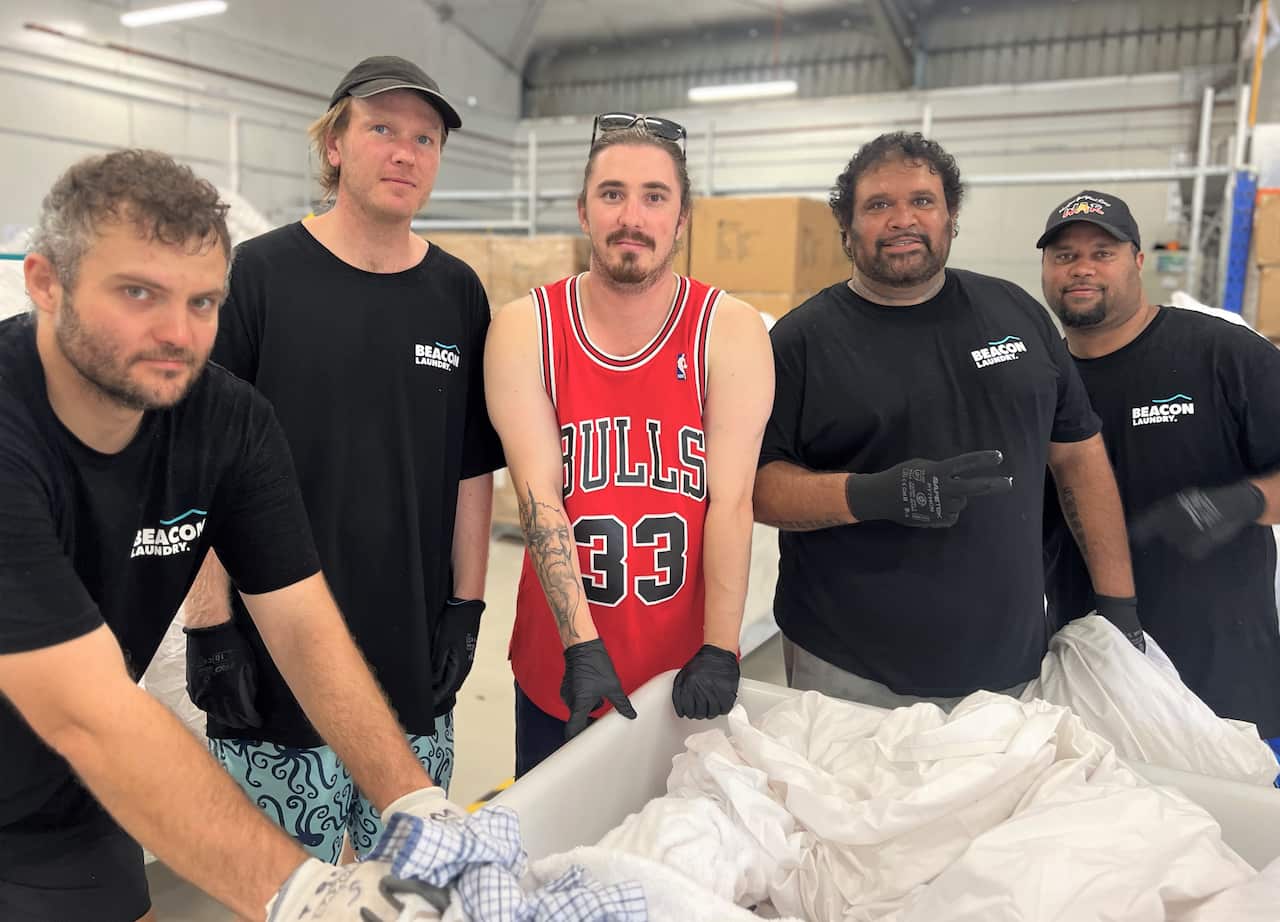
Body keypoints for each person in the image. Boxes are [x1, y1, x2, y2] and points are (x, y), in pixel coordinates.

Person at [0, 149, 461, 921]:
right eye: (139, 292)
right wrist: (308, 894)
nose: (177, 334)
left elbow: (304, 626)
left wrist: (413, 800)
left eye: (204, 302)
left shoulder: (225, 421)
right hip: (72, 729)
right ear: (46, 282)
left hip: (67, 799)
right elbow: (83, 710)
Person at [180, 55, 504, 862]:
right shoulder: (256, 277)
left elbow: (472, 469)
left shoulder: (457, 293)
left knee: (408, 892)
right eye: (383, 129)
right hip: (272, 666)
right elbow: (199, 463)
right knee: (280, 894)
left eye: (425, 139)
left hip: (409, 666)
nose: (405, 152)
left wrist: (467, 609)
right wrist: (211, 624)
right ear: (334, 145)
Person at [752, 132, 1138, 711]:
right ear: (847, 227)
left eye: (922, 201)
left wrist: (1118, 607)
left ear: (950, 216)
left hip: (1006, 660)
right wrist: (875, 494)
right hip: (845, 666)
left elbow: (1079, 458)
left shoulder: (1017, 314)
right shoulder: (801, 342)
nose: (902, 219)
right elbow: (757, 491)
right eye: (878, 205)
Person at [485, 113, 774, 775]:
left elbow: (731, 501)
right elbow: (538, 497)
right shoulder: (526, 328)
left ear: (682, 219)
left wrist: (722, 647)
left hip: (683, 667)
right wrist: (579, 646)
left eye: (654, 196)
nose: (631, 216)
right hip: (558, 662)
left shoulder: (727, 330)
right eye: (612, 194)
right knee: (553, 860)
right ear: (583, 211)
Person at [1039, 189, 1280, 745]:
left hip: (1228, 687)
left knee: (1247, 827)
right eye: (1064, 255)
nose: (1082, 269)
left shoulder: (1223, 355)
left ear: (1138, 261)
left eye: (1102, 252)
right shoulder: (1041, 381)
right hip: (1098, 680)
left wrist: (1245, 501)